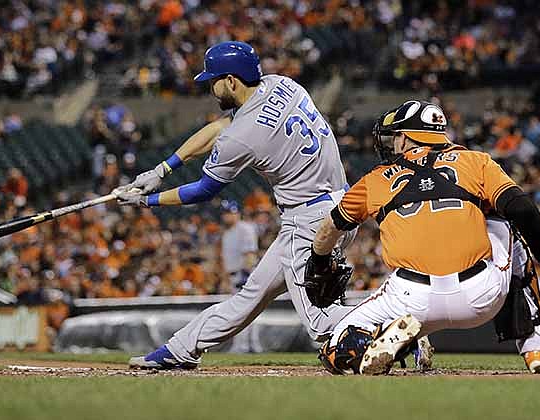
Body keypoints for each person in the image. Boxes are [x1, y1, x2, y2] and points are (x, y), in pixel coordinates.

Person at [113, 41, 362, 369]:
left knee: (319, 324)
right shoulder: (283, 84)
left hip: (310, 220)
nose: (211, 88)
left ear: (231, 80)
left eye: (213, 80)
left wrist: (148, 200)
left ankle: (401, 318)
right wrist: (163, 169)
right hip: (340, 207)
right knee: (251, 297)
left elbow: (203, 190)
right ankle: (180, 350)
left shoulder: (242, 135)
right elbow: (219, 129)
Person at [305, 100, 540, 375]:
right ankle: (539, 348)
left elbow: (330, 227)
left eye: (395, 136)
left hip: (411, 299)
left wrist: (319, 260)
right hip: (480, 295)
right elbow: (522, 208)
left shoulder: (376, 179)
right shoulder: (475, 161)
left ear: (405, 137)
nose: (392, 143)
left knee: (334, 350)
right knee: (502, 222)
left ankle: (384, 341)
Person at [220, 200, 258, 292]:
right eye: (224, 213)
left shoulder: (245, 228)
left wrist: (245, 279)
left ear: (237, 213)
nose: (226, 216)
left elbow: (250, 255)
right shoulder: (226, 233)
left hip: (244, 277)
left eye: (229, 212)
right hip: (232, 278)